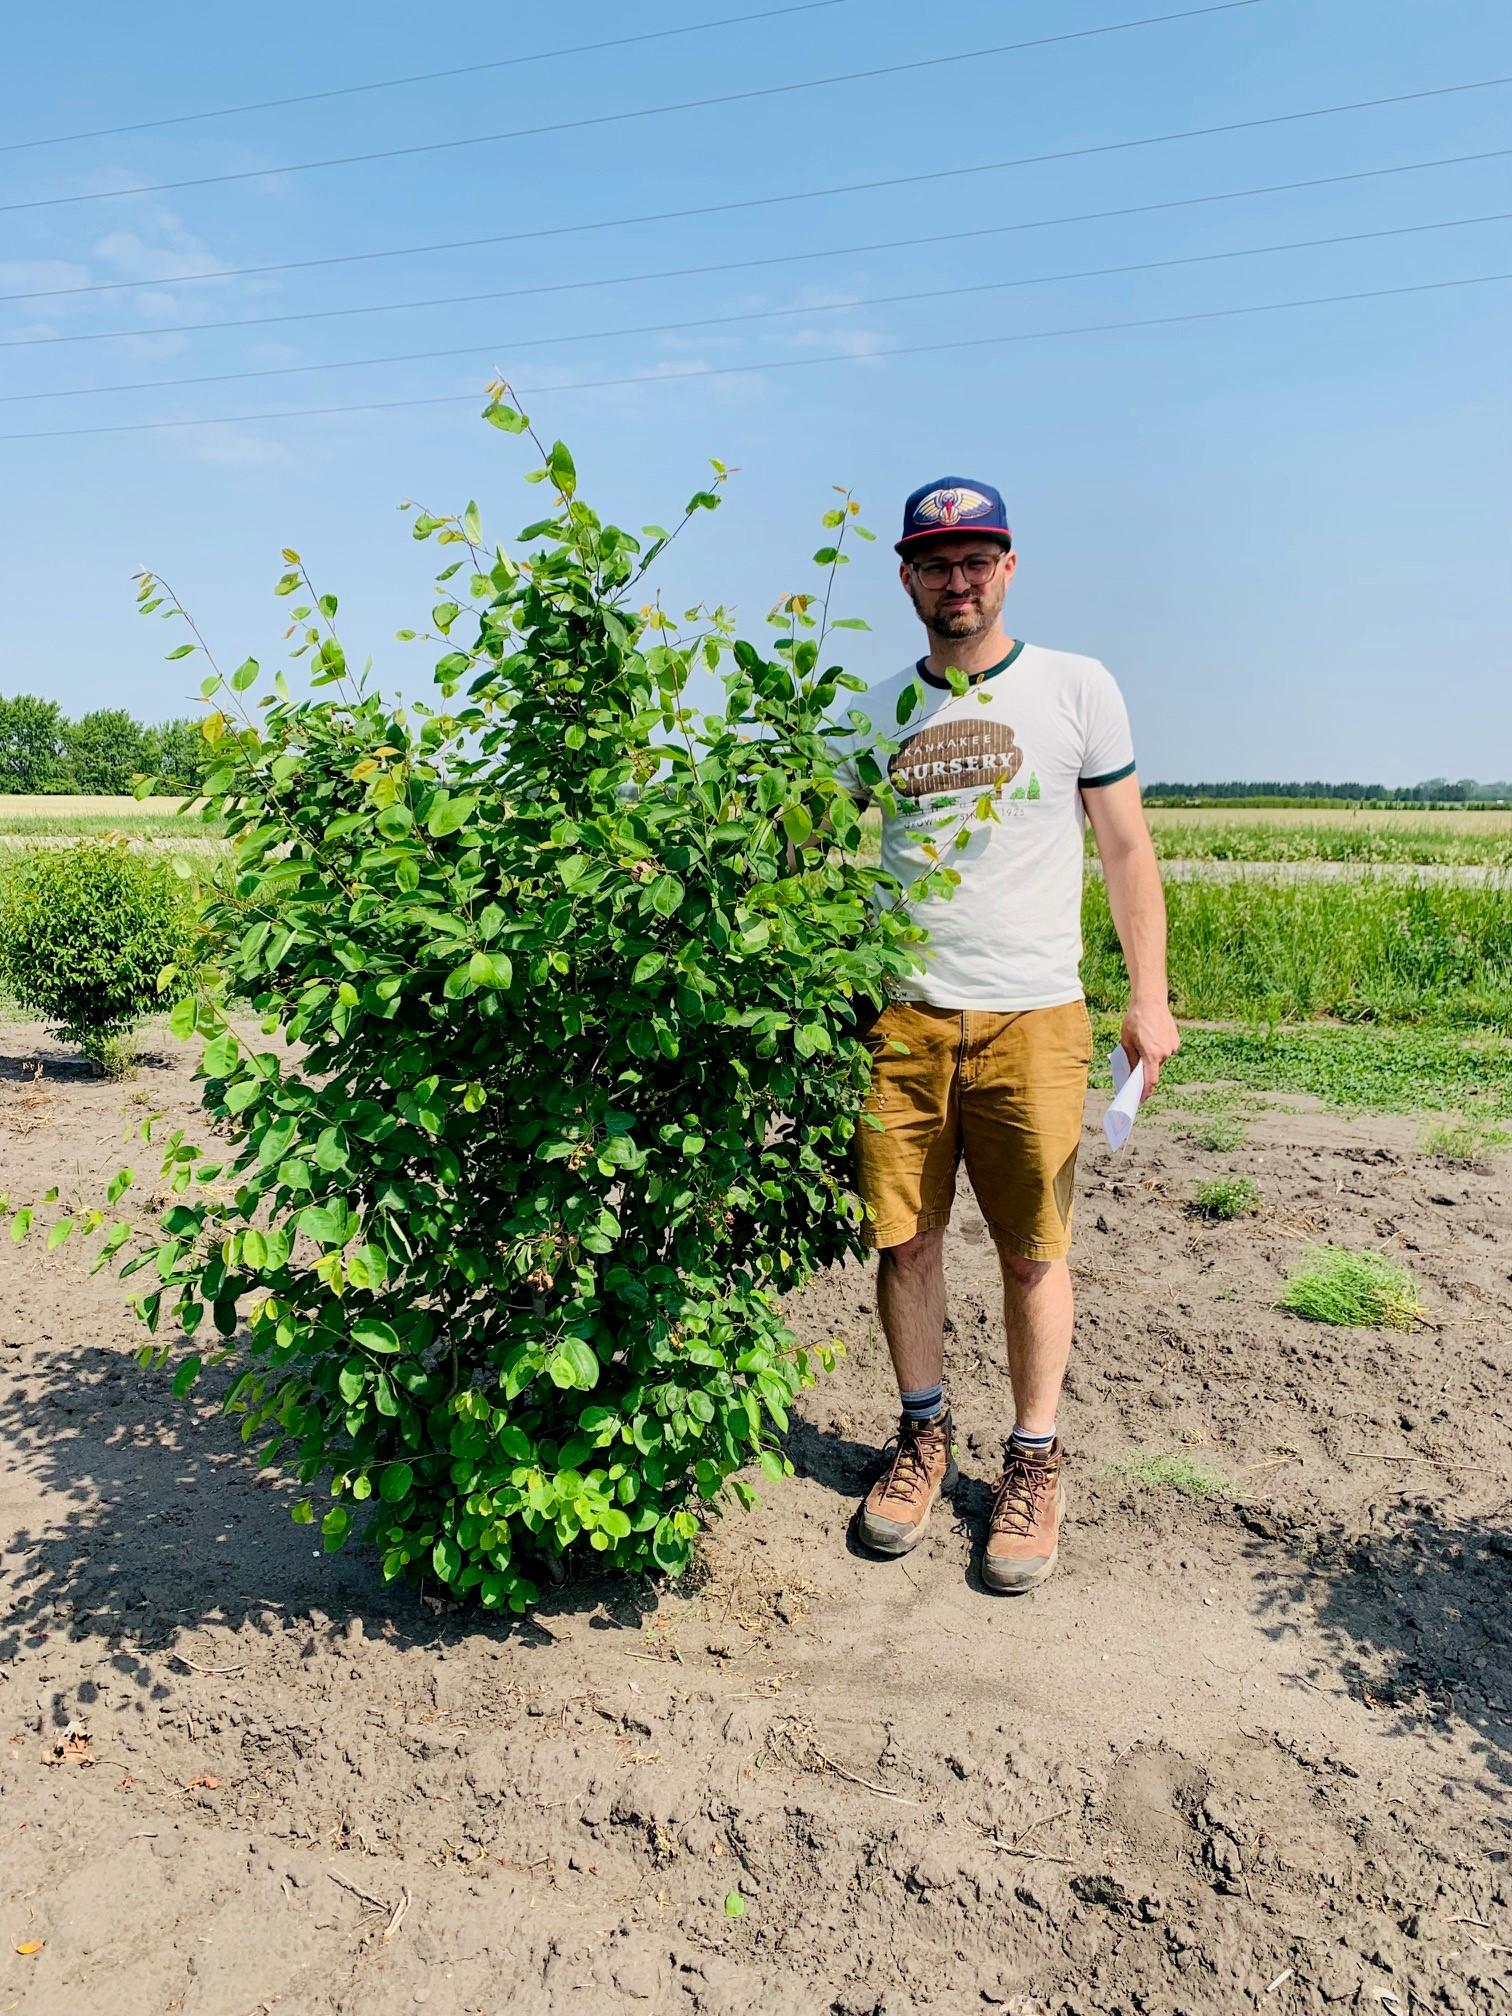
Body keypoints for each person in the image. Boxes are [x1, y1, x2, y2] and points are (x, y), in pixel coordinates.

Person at [840, 477, 1179, 1592]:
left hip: (1037, 1016)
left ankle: (1035, 1461)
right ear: (906, 578)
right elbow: (798, 849)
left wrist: (1150, 996)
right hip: (904, 1019)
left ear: (1010, 568)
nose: (957, 580)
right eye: (936, 563)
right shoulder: (877, 710)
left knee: (1034, 1250)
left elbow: (1127, 850)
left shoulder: (1077, 689)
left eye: (976, 559)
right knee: (907, 1239)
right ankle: (922, 1434)